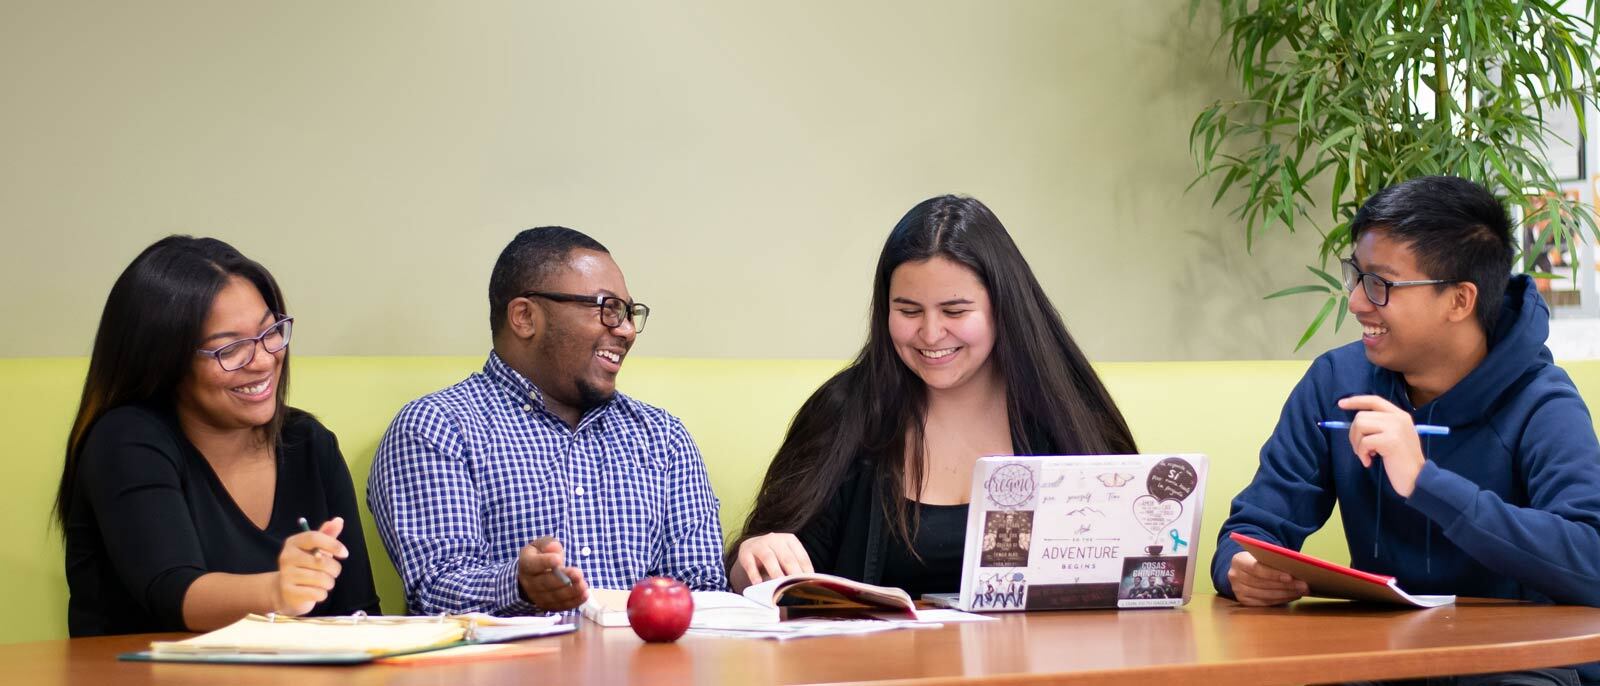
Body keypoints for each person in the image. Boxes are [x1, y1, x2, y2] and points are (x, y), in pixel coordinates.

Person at [1214, 177, 1600, 683]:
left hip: (1516, 663)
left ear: (1459, 300)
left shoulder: (1541, 401)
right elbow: (1254, 528)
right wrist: (1239, 569)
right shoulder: (1336, 382)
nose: (1355, 302)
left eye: (1381, 284)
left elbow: (1591, 562)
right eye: (1356, 275)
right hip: (1383, 659)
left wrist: (1425, 482)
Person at [728, 195, 1138, 597]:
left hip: (1045, 662)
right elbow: (772, 575)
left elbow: (1132, 561)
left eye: (955, 312)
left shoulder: (1066, 408)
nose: (930, 333)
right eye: (908, 311)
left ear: (1004, 306)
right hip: (881, 665)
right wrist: (756, 560)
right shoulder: (844, 412)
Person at [367, 226, 726, 615]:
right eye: (607, 309)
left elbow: (702, 590)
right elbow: (435, 591)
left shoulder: (663, 437)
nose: (625, 329)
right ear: (524, 317)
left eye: (628, 313)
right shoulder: (437, 427)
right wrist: (520, 585)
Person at [56, 236, 379, 636]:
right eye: (230, 349)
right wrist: (277, 591)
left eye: (270, 332)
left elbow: (360, 614)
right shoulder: (126, 440)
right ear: (164, 361)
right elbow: (173, 594)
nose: (262, 360)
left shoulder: (308, 442)